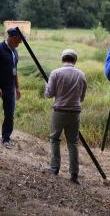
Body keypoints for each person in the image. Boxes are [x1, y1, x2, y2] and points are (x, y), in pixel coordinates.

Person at [44, 49, 87, 185]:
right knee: (73, 143)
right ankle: (74, 174)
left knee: (55, 139)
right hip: (75, 112)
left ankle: (55, 167)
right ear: (74, 60)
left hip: (59, 111)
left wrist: (48, 87)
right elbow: (82, 97)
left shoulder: (56, 73)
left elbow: (49, 94)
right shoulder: (81, 75)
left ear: (63, 59)